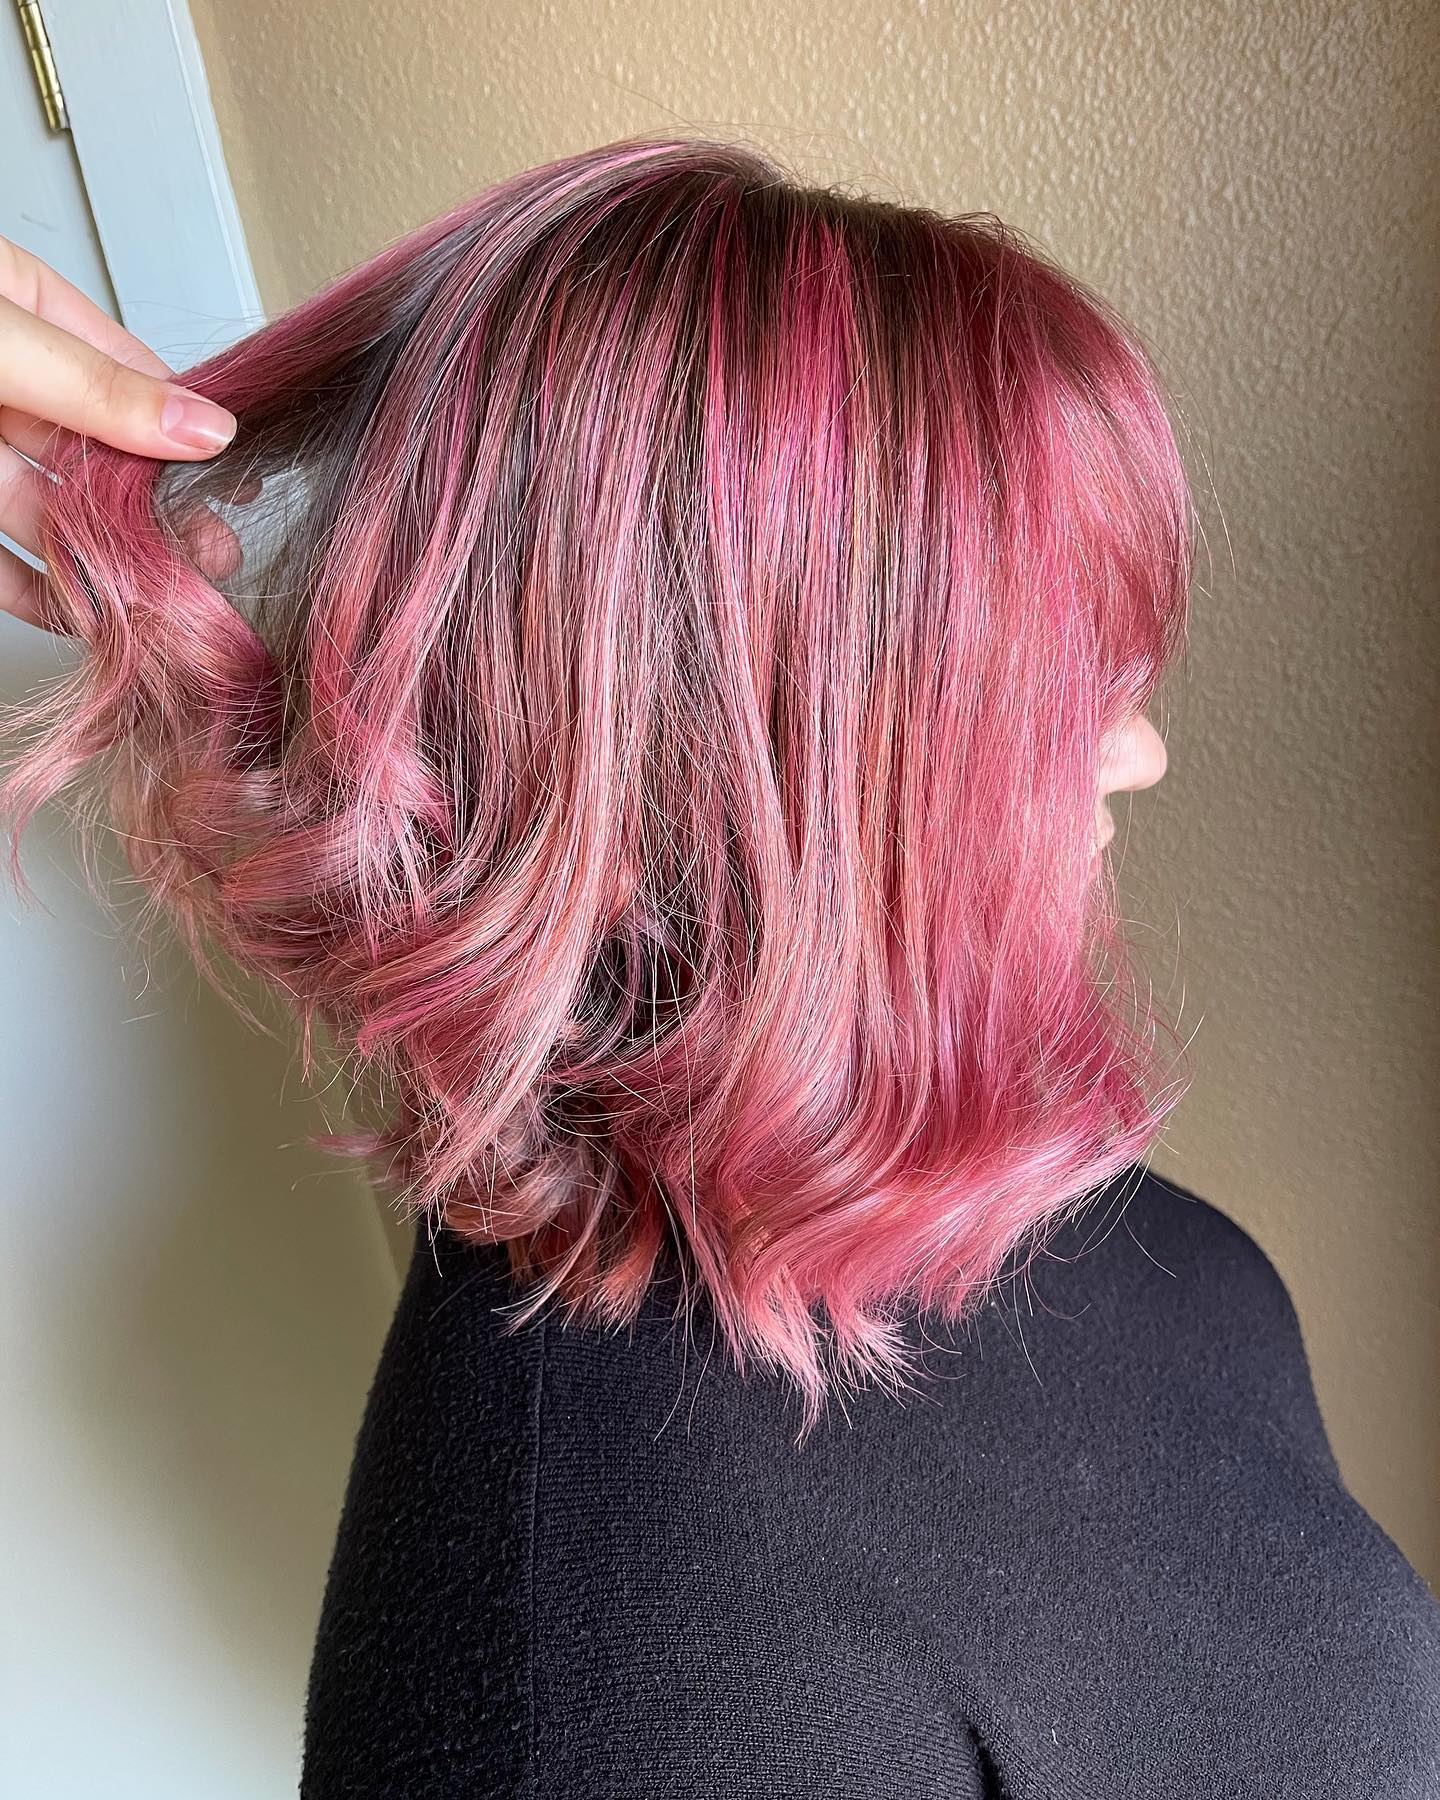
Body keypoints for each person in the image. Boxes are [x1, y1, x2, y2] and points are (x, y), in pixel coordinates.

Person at [2, 140, 1437, 1798]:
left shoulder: (1127, 1235)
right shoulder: (593, 1703)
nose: (1139, 755)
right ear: (683, 785)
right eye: (1045, 697)